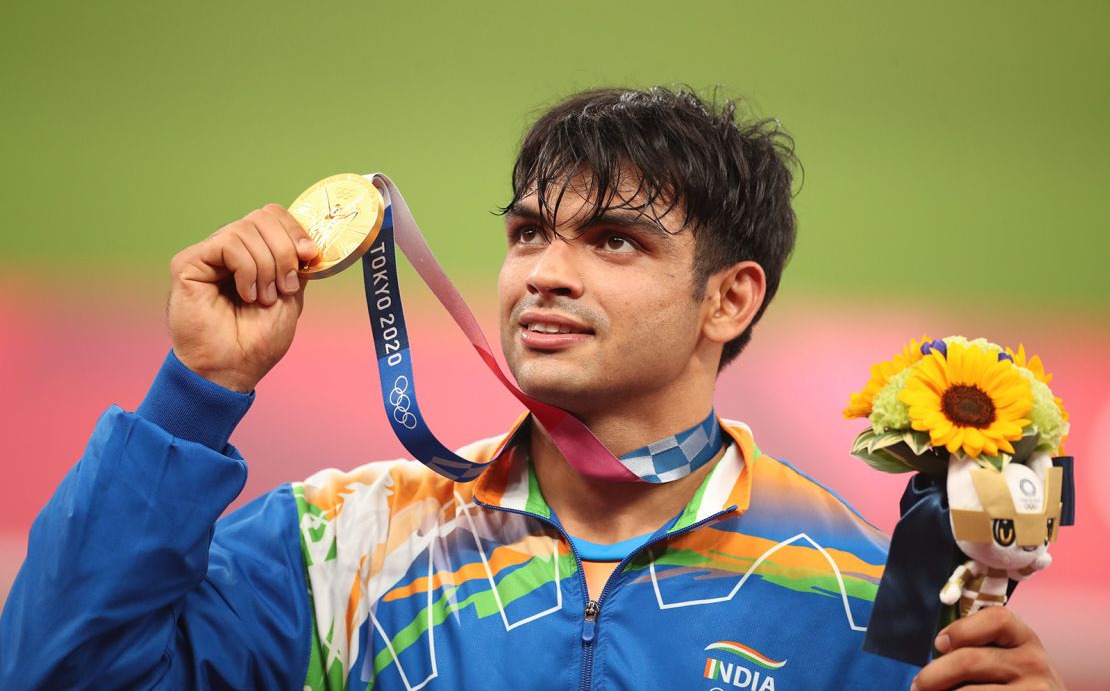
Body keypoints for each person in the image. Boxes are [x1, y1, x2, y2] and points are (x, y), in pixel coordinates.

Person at [0, 87, 1061, 690]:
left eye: (611, 240)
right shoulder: (345, 544)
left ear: (730, 299)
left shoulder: (850, 596)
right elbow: (56, 671)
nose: (544, 270)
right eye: (527, 233)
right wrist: (199, 389)